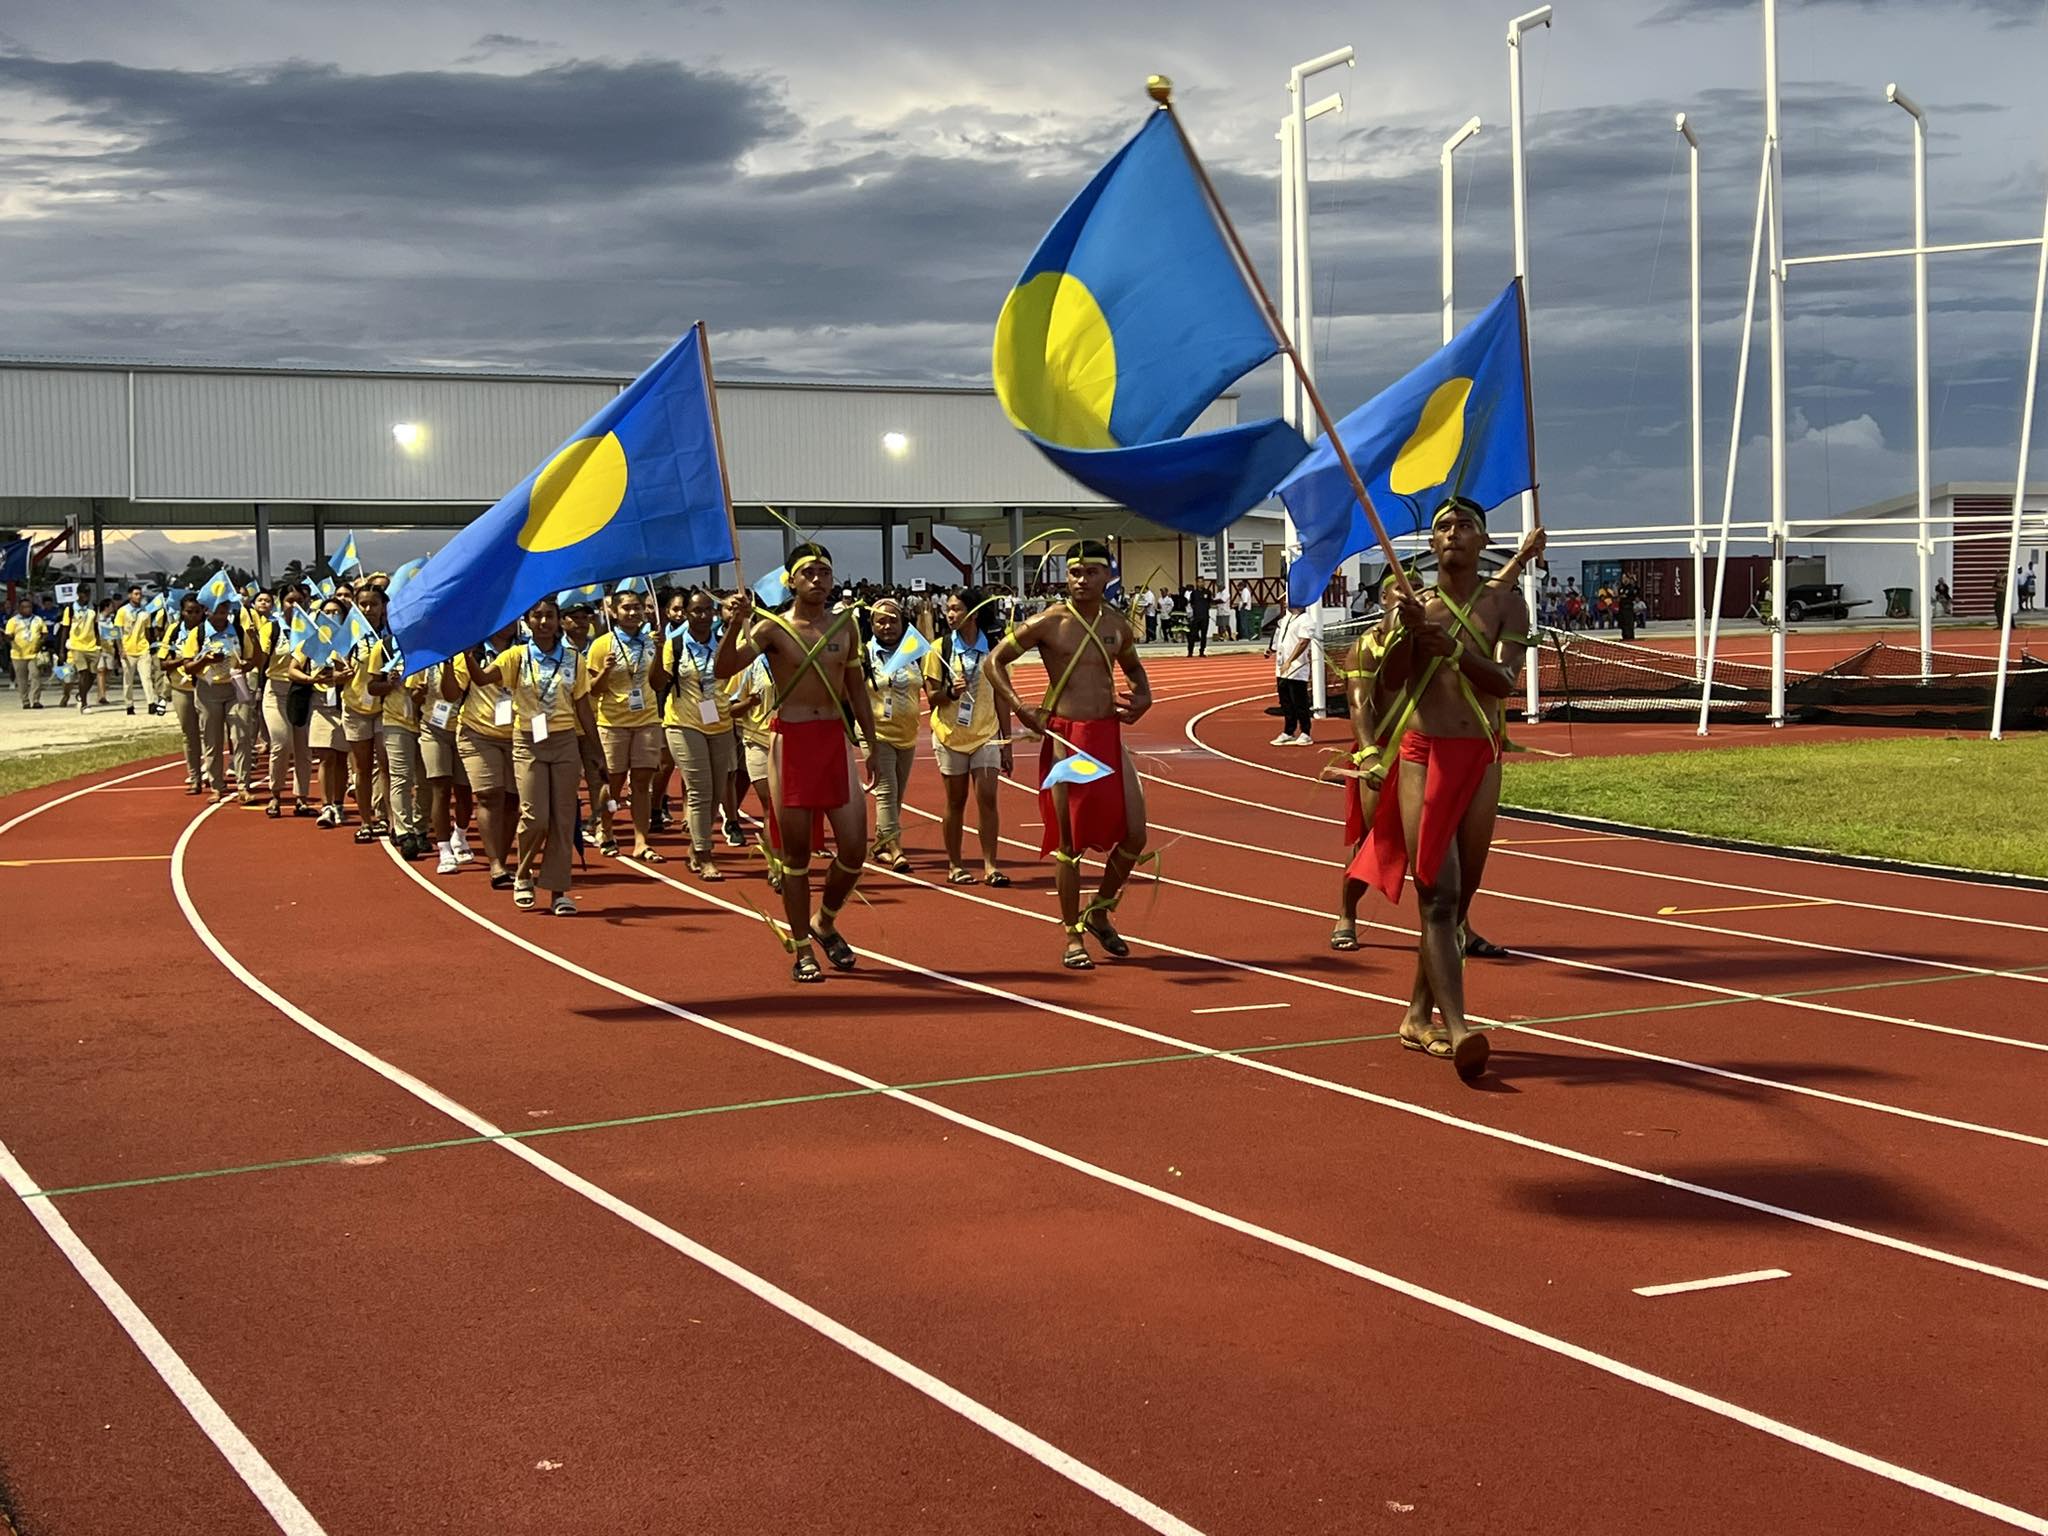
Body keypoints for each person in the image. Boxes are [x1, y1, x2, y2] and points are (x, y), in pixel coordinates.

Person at [1353, 499, 1535, 1081]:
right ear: (1430, 545)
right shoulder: (1413, 606)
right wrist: (1408, 636)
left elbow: (1505, 682)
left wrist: (1452, 648)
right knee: (1437, 894)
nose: (1453, 534)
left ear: (1483, 540)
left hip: (1480, 756)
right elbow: (1387, 686)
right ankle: (1458, 1028)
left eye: (1464, 527)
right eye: (1442, 528)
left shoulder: (1505, 603)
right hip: (1422, 754)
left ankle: (1415, 1015)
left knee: (1459, 902)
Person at [716, 542, 881, 984]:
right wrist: (733, 625)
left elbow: (856, 690)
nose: (817, 580)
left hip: (833, 739)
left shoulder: (846, 627)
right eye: (807, 572)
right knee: (796, 856)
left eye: (824, 572)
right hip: (790, 741)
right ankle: (802, 948)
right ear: (791, 579)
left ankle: (823, 922)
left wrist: (872, 744)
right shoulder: (772, 629)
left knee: (853, 849)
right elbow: (724, 667)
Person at [988, 540, 1152, 971]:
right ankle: (1071, 934)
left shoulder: (1117, 625)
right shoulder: (1048, 623)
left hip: (1108, 736)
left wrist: (1143, 697)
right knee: (1070, 844)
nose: (1081, 580)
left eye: (1090, 572)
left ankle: (1098, 911)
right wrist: (1021, 707)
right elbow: (994, 662)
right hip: (1068, 739)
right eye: (1074, 572)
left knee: (1135, 834)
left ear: (1107, 576)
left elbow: (1134, 669)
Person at [475, 596, 597, 915]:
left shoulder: (573, 659)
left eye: (550, 617)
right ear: (527, 621)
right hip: (528, 739)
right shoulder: (516, 656)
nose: (544, 622)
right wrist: (464, 650)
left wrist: (595, 751)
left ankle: (558, 891)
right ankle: (524, 873)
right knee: (535, 816)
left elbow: (583, 705)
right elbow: (483, 678)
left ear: (559, 622)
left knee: (562, 817)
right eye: (537, 616)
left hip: (565, 740)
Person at [925, 585, 1013, 886]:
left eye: (956, 609)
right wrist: (950, 692)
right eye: (948, 609)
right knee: (956, 801)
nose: (950, 614)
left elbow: (1003, 696)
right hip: (951, 735)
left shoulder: (994, 649)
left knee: (987, 798)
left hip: (986, 732)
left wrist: (1007, 742)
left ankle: (991, 866)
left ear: (973, 613)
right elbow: (932, 697)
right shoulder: (940, 649)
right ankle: (955, 864)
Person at [654, 587, 738, 880]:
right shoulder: (674, 645)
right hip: (683, 722)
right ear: (686, 614)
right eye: (696, 611)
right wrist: (657, 650)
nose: (702, 616)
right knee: (700, 788)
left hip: (720, 723)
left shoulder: (722, 644)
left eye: (707, 611)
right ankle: (705, 855)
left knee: (716, 790)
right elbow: (656, 683)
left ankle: (695, 847)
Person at [586, 586, 663, 863]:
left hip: (647, 719)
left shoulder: (651, 641)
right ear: (614, 612)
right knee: (614, 783)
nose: (632, 612)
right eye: (626, 608)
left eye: (637, 607)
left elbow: (658, 683)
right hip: (613, 722)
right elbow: (593, 690)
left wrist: (661, 648)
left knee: (642, 782)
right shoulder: (601, 644)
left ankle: (641, 841)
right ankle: (605, 829)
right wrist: (606, 669)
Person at [443, 624, 523, 888]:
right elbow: (452, 694)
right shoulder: (473, 652)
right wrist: (447, 663)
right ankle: (495, 865)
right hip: (477, 733)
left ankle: (501, 856)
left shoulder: (526, 651)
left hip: (518, 734)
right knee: (490, 795)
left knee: (513, 801)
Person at [864, 597, 923, 874]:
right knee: (886, 792)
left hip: (907, 732)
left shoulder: (914, 651)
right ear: (871, 624)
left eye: (893, 620)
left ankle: (880, 844)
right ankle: (895, 848)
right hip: (877, 734)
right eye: (881, 621)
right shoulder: (864, 655)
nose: (887, 626)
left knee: (897, 793)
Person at [186, 593, 260, 803]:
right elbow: (187, 665)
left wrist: (248, 663)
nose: (221, 616)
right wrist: (205, 660)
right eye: (217, 611)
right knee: (212, 738)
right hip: (208, 689)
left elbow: (252, 659)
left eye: (225, 611)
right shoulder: (198, 633)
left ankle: (243, 786)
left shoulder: (237, 631)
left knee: (241, 737)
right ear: (207, 611)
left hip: (235, 687)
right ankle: (216, 785)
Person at [255, 587, 314, 817]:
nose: (295, 605)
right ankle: (276, 794)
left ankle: (302, 797)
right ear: (281, 604)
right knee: (280, 742)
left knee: (303, 747)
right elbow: (261, 661)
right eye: (290, 601)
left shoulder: (312, 631)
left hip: (301, 691)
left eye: (299, 601)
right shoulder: (272, 628)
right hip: (276, 691)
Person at [419, 659, 475, 874]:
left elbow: (451, 693)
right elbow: (415, 696)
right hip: (433, 728)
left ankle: (459, 836)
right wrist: (418, 691)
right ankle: (444, 850)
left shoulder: (464, 657)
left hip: (464, 729)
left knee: (464, 791)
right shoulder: (426, 657)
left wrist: (448, 664)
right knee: (440, 789)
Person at [1269, 601, 1316, 746]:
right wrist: (1272, 649)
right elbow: (1280, 636)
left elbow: (1303, 642)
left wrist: (1290, 660)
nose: (1285, 602)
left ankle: (1305, 732)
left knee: (1299, 701)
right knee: (1285, 701)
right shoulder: (1286, 618)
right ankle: (1288, 731)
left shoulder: (1306, 620)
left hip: (1297, 667)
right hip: (1282, 667)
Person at [7, 597, 46, 708]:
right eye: (24, 607)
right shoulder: (13, 621)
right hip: (18, 654)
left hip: (33, 653)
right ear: (19, 608)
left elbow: (44, 633)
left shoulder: (38, 620)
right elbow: (9, 635)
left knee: (35, 675)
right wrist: (8, 637)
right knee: (22, 679)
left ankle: (36, 700)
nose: (27, 609)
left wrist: (41, 643)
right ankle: (25, 701)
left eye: (29, 607)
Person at [1185, 580, 1213, 658]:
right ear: (1197, 583)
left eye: (1202, 582)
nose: (1201, 583)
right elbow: (1192, 604)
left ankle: (1202, 651)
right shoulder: (1194, 593)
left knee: (1204, 635)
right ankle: (1190, 652)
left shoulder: (1208, 592)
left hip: (1205, 617)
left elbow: (1209, 602)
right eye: (1199, 582)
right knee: (1193, 635)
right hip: (1196, 617)